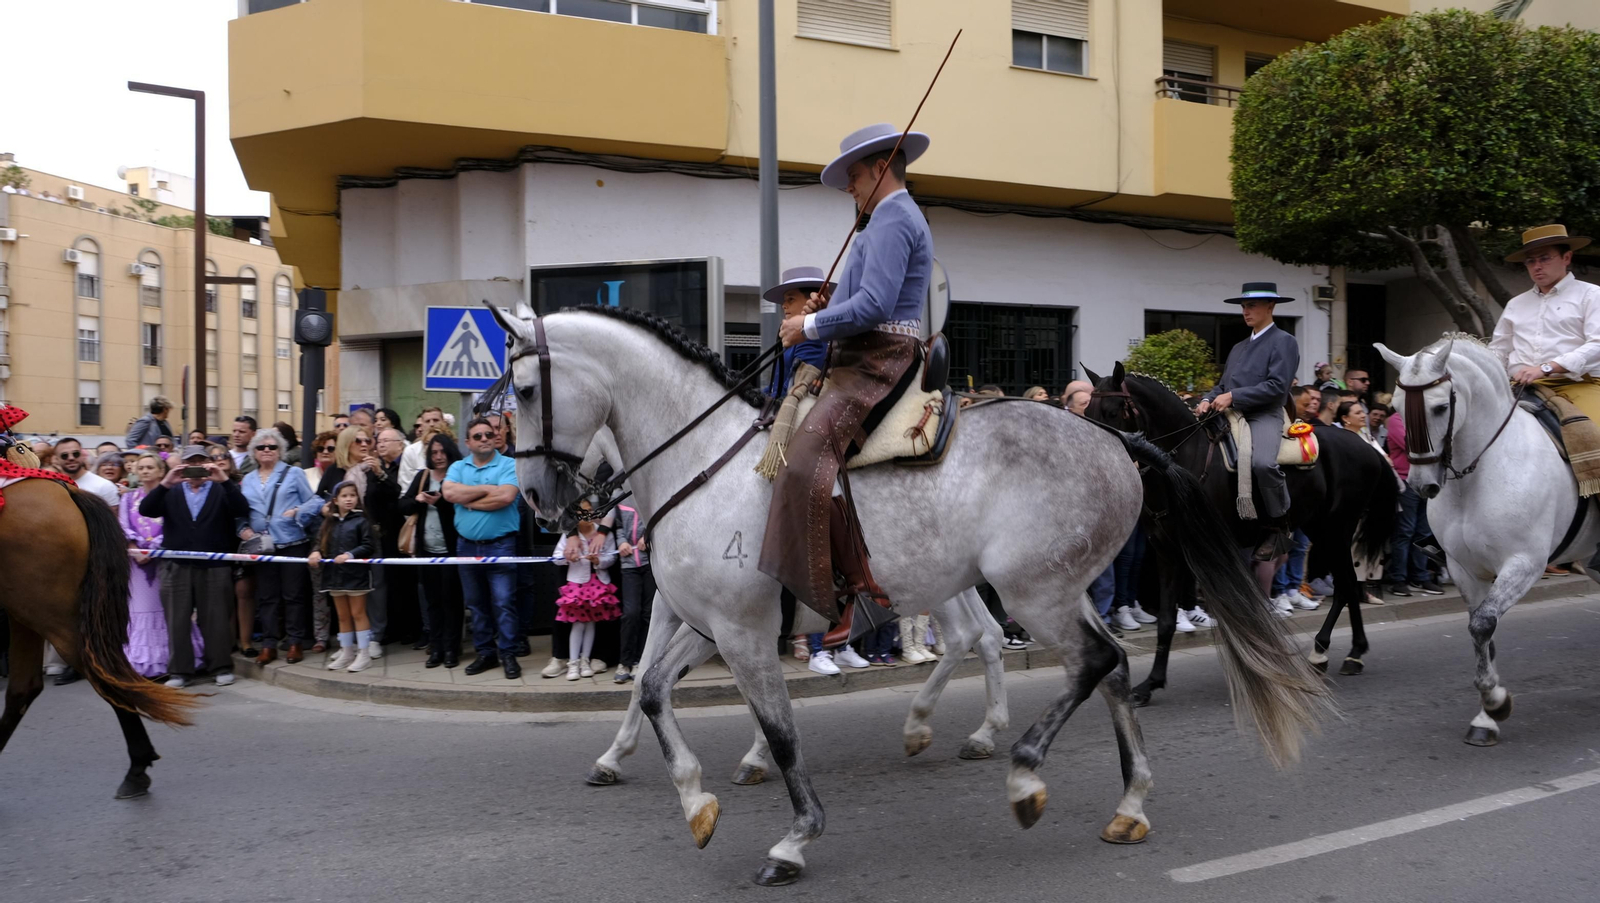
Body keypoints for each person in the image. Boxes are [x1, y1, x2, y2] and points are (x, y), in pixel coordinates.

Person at [765, 122, 934, 622]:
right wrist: (830, 307)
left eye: (854, 176)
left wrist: (807, 324)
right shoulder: (884, 219)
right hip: (864, 355)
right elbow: (864, 301)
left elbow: (876, 305)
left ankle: (861, 590)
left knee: (803, 461)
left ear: (882, 168)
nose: (849, 188)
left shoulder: (892, 218)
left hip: (879, 359)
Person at [1195, 283, 1300, 555]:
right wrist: (1206, 399)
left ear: (1270, 307)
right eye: (1243, 306)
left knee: (1263, 463)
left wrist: (1233, 396)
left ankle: (1279, 524)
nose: (1245, 311)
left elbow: (1277, 387)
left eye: (1251, 305)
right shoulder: (1238, 347)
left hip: (1264, 413)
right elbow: (1223, 385)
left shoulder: (1284, 341)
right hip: (1231, 412)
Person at [139, 445, 250, 689]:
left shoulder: (221, 488)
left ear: (209, 463)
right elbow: (146, 509)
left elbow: (242, 509)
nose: (196, 467)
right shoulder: (172, 489)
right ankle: (179, 671)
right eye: (191, 462)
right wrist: (166, 482)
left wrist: (224, 480)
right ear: (183, 465)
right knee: (177, 620)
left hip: (214, 564)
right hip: (176, 564)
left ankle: (220, 667)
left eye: (200, 461)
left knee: (216, 618)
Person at [1490, 224, 1600, 422]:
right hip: (1520, 388)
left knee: (1594, 433)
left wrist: (1546, 368)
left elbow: (1597, 344)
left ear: (1566, 258)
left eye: (1545, 258)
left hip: (1578, 384)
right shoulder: (1516, 304)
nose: (1537, 266)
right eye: (1530, 261)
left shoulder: (1592, 295)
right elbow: (1499, 350)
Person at [443, 416, 523, 679]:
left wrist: (468, 500)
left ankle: (508, 654)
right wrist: (488, 489)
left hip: (501, 545)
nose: (485, 439)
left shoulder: (509, 464)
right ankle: (486, 653)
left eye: (489, 434)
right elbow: (449, 494)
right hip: (466, 547)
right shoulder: (458, 466)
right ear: (468, 443)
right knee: (476, 604)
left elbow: (506, 496)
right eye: (477, 436)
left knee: (504, 603)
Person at [120, 452, 204, 678]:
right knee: (140, 609)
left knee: (170, 610)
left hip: (164, 559)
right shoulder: (128, 498)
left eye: (150, 467)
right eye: (141, 467)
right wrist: (135, 548)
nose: (145, 471)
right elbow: (123, 525)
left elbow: (174, 524)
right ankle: (142, 662)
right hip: (136, 563)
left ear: (161, 471)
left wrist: (154, 548)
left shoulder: (172, 495)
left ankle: (173, 661)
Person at [239, 426, 318, 665]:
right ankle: (269, 644)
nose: (266, 450)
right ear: (253, 451)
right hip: (262, 546)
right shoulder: (247, 479)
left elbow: (315, 501)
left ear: (280, 450)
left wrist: (298, 511)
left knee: (293, 595)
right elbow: (241, 512)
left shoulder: (293, 473)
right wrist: (243, 530)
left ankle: (295, 642)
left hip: (292, 541)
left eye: (272, 447)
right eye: (261, 447)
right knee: (267, 597)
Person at [399, 432, 463, 669]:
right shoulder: (423, 476)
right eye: (434, 452)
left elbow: (464, 506)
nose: (438, 456)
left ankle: (452, 648)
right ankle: (436, 648)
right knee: (433, 601)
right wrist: (418, 499)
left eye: (442, 451)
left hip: (451, 550)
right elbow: (402, 505)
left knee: (452, 601)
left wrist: (441, 502)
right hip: (426, 551)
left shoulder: (458, 474)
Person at [307, 481, 376, 672]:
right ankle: (346, 652)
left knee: (358, 613)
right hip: (334, 576)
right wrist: (316, 552)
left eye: (352, 495)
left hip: (356, 575)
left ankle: (364, 654)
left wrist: (350, 555)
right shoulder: (329, 523)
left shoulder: (362, 521)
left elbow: (369, 545)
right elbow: (320, 543)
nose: (349, 499)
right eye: (344, 496)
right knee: (343, 616)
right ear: (335, 500)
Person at [554, 499, 620, 680]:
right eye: (583, 513)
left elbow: (611, 557)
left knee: (591, 622)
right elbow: (556, 557)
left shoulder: (603, 534)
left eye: (590, 511)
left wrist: (598, 561)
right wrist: (568, 557)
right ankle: (573, 663)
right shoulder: (569, 536)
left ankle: (585, 660)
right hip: (577, 586)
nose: (588, 516)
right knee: (578, 623)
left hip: (597, 586)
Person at [1384, 412, 1444, 597]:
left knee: (1424, 533)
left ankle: (1420, 576)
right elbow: (1413, 446)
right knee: (1405, 531)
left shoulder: (1425, 417)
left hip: (1427, 480)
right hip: (1406, 480)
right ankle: (1398, 579)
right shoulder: (1396, 419)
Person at [301, 429, 340, 652]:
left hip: (341, 540)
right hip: (316, 539)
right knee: (319, 593)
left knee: (343, 591)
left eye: (331, 448)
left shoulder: (344, 473)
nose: (325, 452)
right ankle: (321, 636)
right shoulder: (305, 475)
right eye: (321, 448)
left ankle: (345, 636)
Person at [612, 498, 653, 684]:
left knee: (648, 614)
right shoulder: (620, 498)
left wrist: (647, 536)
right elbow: (619, 526)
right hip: (629, 566)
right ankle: (625, 662)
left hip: (649, 564)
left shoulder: (647, 494)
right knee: (630, 613)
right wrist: (621, 542)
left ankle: (640, 661)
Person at [53, 437, 119, 507]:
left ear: (82, 455)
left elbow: (113, 513)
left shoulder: (105, 486)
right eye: (64, 455)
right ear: (57, 459)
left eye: (76, 454)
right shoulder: (53, 486)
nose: (71, 458)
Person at [398, 406, 448, 489]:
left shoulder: (452, 447)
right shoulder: (411, 451)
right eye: (427, 421)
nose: (432, 424)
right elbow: (405, 485)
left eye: (436, 420)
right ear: (422, 425)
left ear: (444, 422)